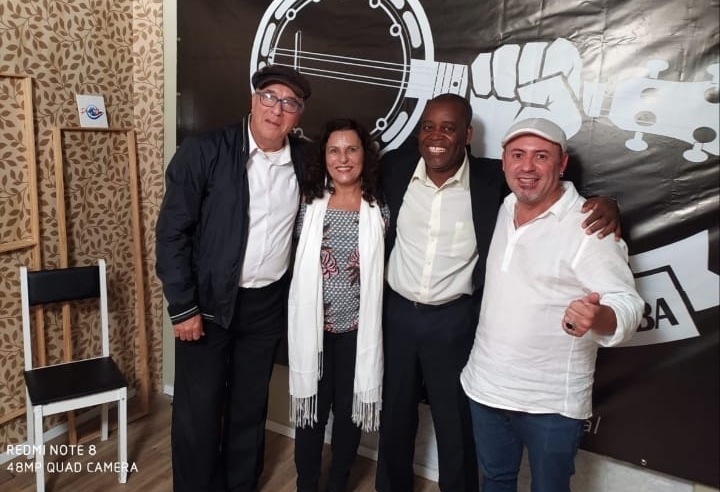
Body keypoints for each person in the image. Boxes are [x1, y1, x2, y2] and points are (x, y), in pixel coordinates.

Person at [375, 94, 621, 492]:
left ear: (467, 135)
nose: (436, 136)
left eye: (448, 128)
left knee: (457, 426)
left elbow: (547, 185)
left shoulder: (492, 179)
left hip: (454, 320)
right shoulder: (395, 168)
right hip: (398, 314)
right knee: (394, 418)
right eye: (428, 127)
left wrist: (608, 204)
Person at [460, 117, 644, 492]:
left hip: (551, 403)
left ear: (562, 164)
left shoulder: (589, 227)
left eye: (541, 156)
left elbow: (628, 303)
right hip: (486, 386)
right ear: (504, 161)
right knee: (494, 480)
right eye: (518, 155)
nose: (527, 167)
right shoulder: (502, 205)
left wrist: (599, 317)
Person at [155, 64, 312, 492]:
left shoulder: (305, 161)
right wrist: (182, 306)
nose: (277, 110)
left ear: (299, 115)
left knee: (249, 404)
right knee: (199, 409)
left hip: (266, 305)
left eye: (290, 103)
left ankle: (240, 484)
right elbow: (171, 233)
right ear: (253, 100)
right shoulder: (204, 151)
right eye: (269, 97)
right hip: (206, 303)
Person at [288, 118, 388, 492]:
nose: (343, 158)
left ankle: (338, 482)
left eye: (351, 149)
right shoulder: (308, 203)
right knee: (310, 414)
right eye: (334, 150)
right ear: (324, 156)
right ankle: (306, 484)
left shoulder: (380, 207)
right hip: (313, 332)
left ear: (365, 155)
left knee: (349, 415)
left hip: (357, 333)